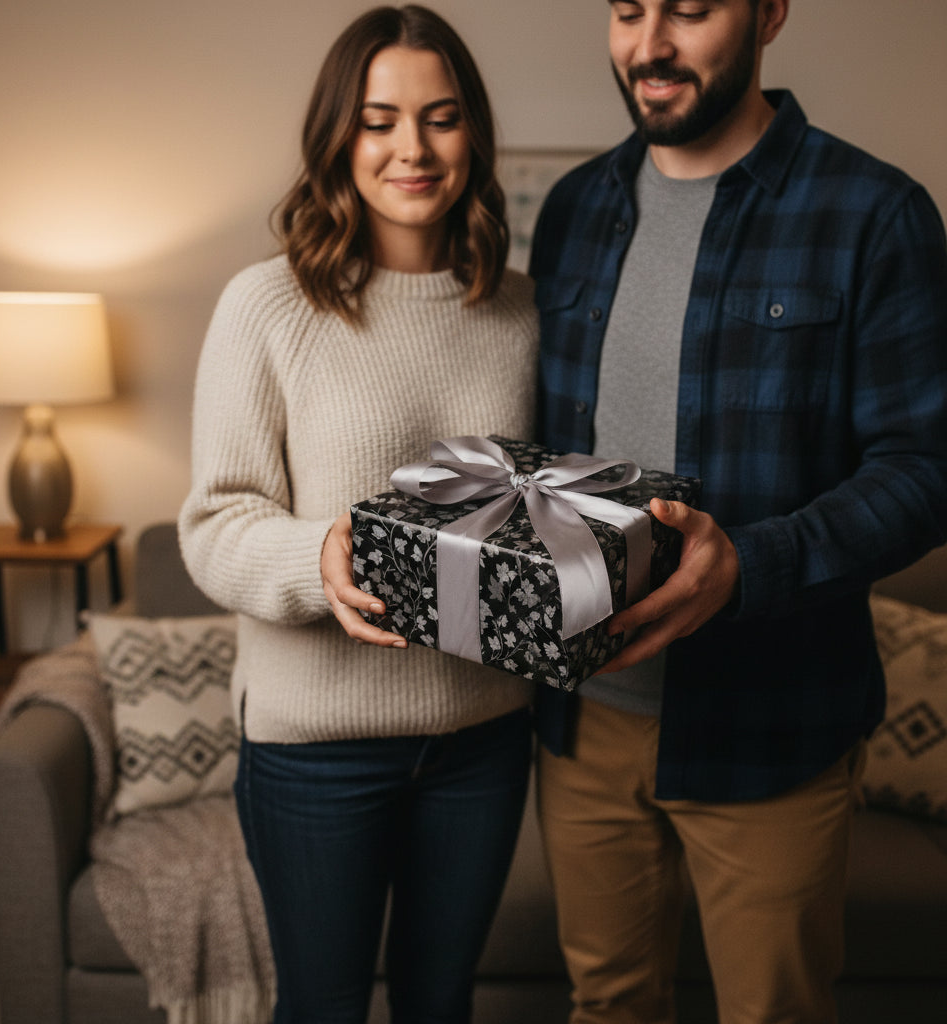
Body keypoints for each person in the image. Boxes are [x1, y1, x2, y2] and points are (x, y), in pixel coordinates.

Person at [529, 2, 947, 1022]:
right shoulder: (576, 206)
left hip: (771, 724)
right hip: (583, 719)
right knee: (605, 1004)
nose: (648, 43)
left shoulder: (872, 211)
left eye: (689, 8)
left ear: (768, 14)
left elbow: (926, 464)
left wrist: (750, 565)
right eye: (627, 10)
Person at [178, 6, 539, 1022]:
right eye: (379, 120)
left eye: (440, 116)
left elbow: (526, 519)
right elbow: (214, 524)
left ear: (473, 134)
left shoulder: (519, 310)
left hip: (481, 737)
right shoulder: (268, 304)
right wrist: (321, 554)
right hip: (313, 747)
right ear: (338, 135)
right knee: (323, 1008)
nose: (411, 149)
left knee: (441, 1005)